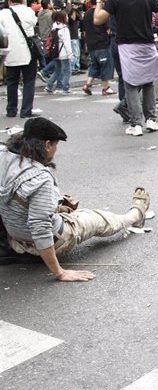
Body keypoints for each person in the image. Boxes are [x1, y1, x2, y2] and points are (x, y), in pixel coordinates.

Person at [0, 118, 150, 282]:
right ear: (47, 145)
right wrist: (60, 272)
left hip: (13, 236)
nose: (56, 150)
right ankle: (136, 215)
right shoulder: (40, 178)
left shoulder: (3, 156)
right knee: (97, 219)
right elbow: (40, 228)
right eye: (56, 145)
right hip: (49, 239)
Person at [94, 0, 158, 136]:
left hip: (128, 46)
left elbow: (97, 19)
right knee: (148, 82)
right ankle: (151, 119)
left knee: (131, 85)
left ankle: (136, 124)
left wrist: (99, 1)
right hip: (148, 45)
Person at [0, 0, 40, 118]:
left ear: (9, 1)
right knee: (29, 81)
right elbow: (34, 23)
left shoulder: (3, 14)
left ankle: (11, 109)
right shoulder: (28, 11)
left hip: (10, 52)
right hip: (27, 52)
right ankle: (26, 110)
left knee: (12, 82)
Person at [81, 0, 115, 96]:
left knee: (94, 65)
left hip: (91, 43)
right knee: (105, 65)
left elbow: (84, 30)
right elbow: (108, 30)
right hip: (102, 43)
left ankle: (87, 84)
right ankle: (106, 88)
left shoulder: (86, 14)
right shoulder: (102, 13)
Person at [44, 10, 73, 95]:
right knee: (67, 71)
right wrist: (70, 54)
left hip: (55, 52)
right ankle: (65, 88)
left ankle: (49, 86)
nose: (67, 18)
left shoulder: (54, 28)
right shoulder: (64, 29)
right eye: (66, 16)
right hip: (63, 53)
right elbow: (67, 43)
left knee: (57, 70)